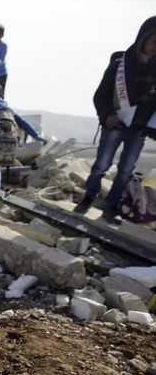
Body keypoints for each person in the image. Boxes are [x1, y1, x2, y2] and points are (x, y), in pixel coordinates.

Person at [74, 16, 156, 224]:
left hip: (138, 131)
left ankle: (111, 205)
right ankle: (89, 197)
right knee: (101, 165)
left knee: (126, 170)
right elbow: (100, 95)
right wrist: (106, 115)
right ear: (143, 39)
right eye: (154, 41)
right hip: (115, 125)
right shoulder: (119, 65)